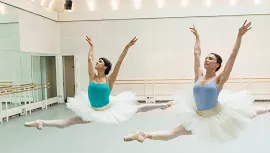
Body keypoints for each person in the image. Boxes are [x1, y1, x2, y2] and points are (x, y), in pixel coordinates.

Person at [123, 20, 270, 143]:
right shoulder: (198, 75)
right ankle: (144, 134)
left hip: (217, 115)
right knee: (175, 133)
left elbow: (233, 54)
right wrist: (198, 38)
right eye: (206, 58)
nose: (206, 60)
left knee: (251, 113)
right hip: (199, 116)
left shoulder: (219, 79)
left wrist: (239, 36)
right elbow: (196, 53)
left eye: (211, 59)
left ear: (217, 65)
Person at [24, 36, 174, 130]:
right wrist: (91, 47)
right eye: (97, 60)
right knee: (69, 122)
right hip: (92, 110)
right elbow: (89, 59)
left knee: (138, 108)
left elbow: (120, 62)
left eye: (100, 61)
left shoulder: (109, 80)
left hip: (107, 110)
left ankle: (162, 105)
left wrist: (127, 47)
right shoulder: (92, 76)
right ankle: (41, 122)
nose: (97, 62)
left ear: (106, 67)